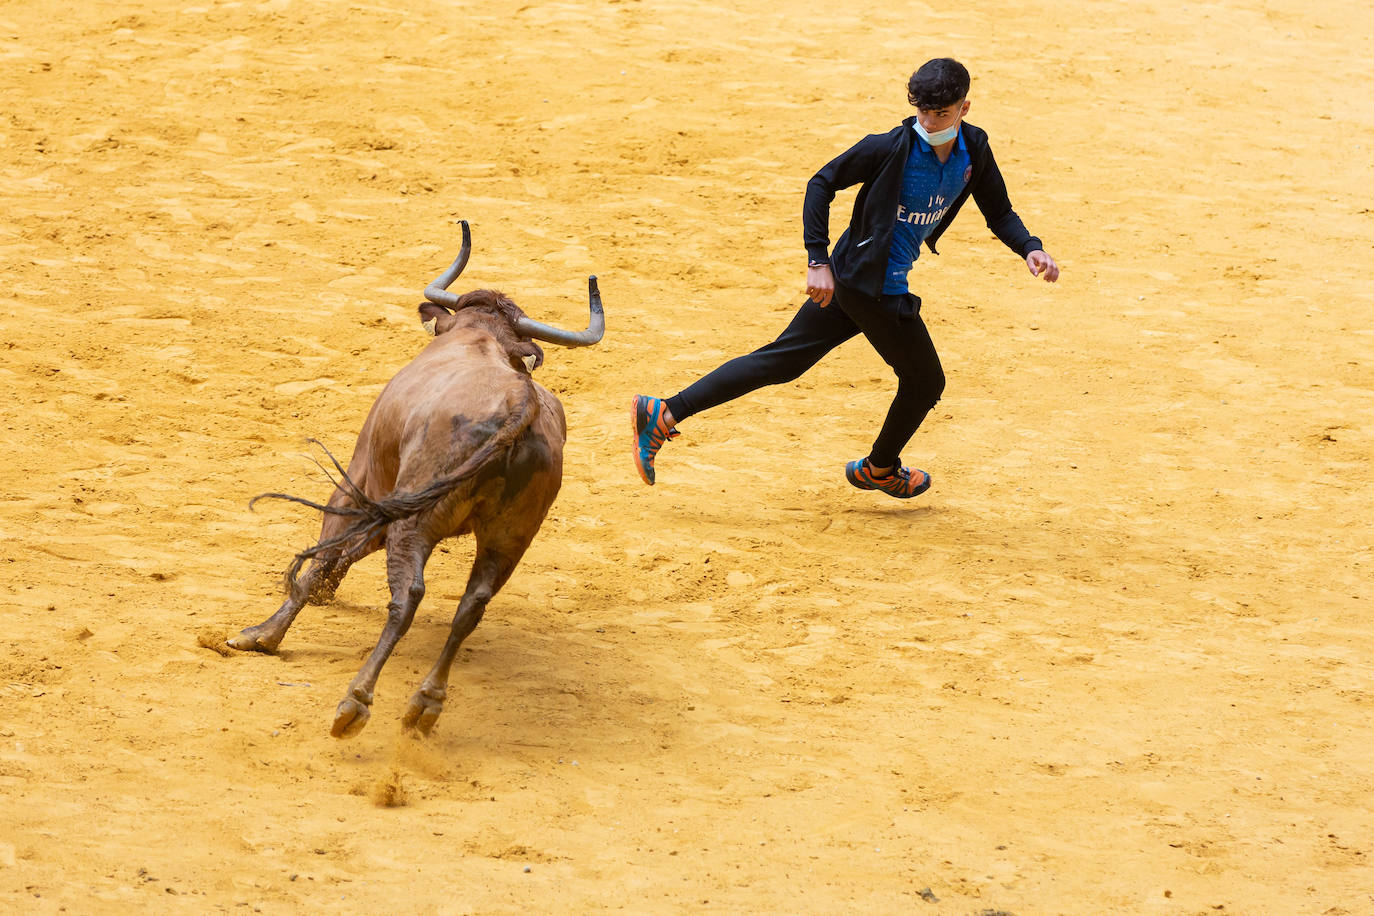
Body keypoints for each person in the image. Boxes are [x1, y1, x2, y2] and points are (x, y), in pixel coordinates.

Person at [632, 58, 1059, 499]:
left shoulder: (974, 150)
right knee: (926, 381)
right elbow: (821, 183)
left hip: (855, 278)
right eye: (923, 113)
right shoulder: (888, 147)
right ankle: (879, 468)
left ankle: (664, 412)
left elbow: (999, 210)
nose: (930, 123)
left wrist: (1030, 247)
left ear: (964, 108)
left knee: (783, 360)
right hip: (870, 287)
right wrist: (816, 258)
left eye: (942, 114)